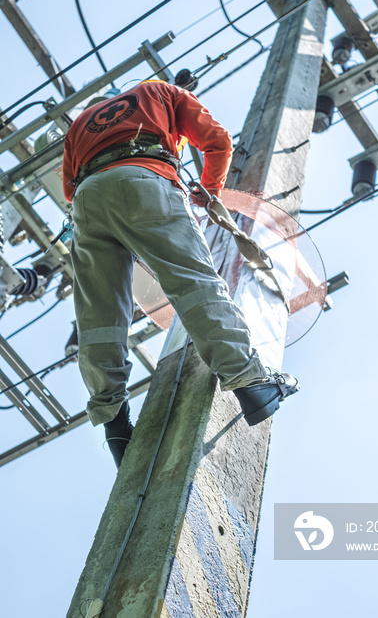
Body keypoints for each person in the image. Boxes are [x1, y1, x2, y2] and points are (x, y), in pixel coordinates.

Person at [62, 79, 299, 468]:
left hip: (89, 200)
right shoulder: (159, 91)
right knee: (193, 282)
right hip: (146, 177)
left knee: (100, 317)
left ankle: (114, 422)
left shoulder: (80, 123)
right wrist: (209, 191)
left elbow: (70, 190)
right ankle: (251, 382)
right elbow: (218, 142)